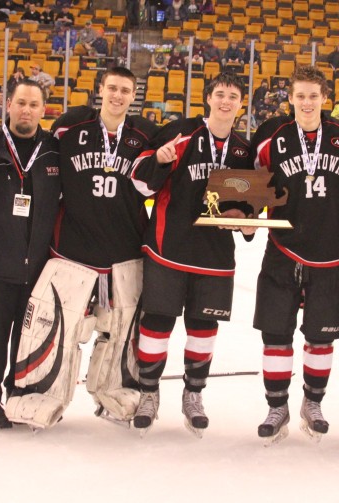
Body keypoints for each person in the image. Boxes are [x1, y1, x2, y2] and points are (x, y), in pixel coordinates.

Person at [129, 72, 254, 437]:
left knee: (203, 328)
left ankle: (193, 394)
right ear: (208, 98)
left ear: (241, 104)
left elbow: (248, 204)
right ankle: (148, 393)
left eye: (233, 95)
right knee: (157, 324)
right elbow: (139, 181)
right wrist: (162, 161)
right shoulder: (179, 132)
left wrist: (246, 220)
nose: (226, 101)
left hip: (215, 256)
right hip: (170, 249)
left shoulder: (243, 150)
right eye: (220, 94)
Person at [250, 66, 339, 444]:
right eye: (300, 95)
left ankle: (312, 404)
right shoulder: (272, 139)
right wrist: (244, 217)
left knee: (320, 337)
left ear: (325, 98)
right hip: (283, 249)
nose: (307, 102)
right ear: (291, 99)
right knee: (275, 333)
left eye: (314, 95)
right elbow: (250, 186)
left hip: (330, 253)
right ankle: (276, 406)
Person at [47, 67, 157, 424]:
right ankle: (46, 395)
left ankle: (113, 396)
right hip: (72, 252)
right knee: (64, 330)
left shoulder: (145, 134)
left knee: (120, 332)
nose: (118, 95)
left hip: (123, 255)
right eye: (112, 88)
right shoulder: (70, 127)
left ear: (133, 95)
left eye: (125, 90)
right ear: (100, 90)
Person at [0, 80, 60, 430]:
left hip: (37, 266)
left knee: (27, 338)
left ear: (43, 109)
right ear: (8, 105)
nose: (27, 110)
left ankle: (18, 393)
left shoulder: (53, 148)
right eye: (21, 102)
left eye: (34, 104)